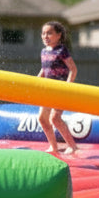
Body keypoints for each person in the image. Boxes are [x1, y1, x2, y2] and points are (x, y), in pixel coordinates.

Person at [36, 20, 79, 154]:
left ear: (59, 35)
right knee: (42, 119)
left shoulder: (62, 50)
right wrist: (35, 81)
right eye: (43, 33)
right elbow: (44, 70)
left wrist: (67, 86)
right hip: (48, 90)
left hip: (60, 90)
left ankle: (72, 146)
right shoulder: (44, 52)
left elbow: (73, 69)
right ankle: (53, 147)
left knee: (55, 118)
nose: (45, 36)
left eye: (49, 33)